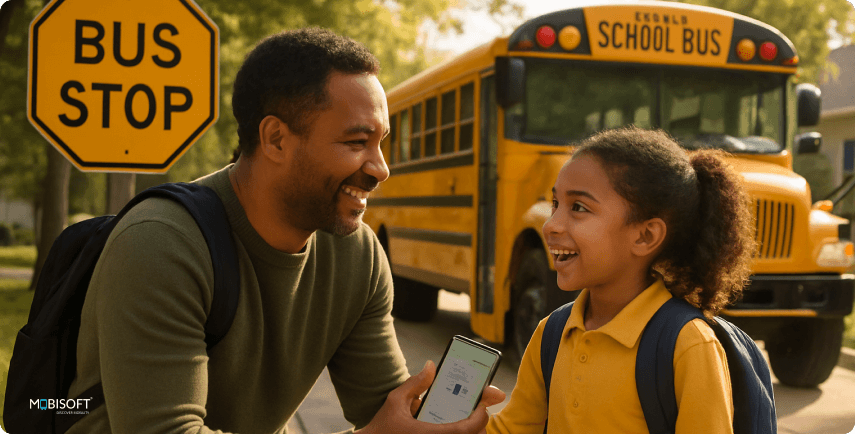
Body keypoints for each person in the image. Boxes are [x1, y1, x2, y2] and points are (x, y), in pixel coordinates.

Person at [67, 27, 503, 434]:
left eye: (381, 142)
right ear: (276, 139)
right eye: (356, 142)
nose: (381, 168)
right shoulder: (162, 243)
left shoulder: (357, 255)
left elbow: (382, 411)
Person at [487, 126, 756, 434]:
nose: (551, 225)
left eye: (578, 207)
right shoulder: (551, 333)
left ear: (645, 236)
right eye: (556, 204)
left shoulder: (687, 345)